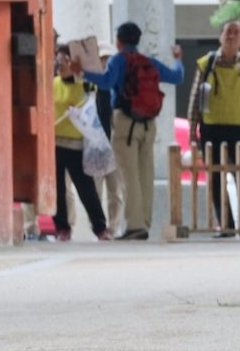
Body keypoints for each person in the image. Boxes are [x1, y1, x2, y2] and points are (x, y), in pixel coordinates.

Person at [87, 21, 184, 241]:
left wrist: (84, 73)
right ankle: (145, 222)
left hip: (125, 123)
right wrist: (178, 60)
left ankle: (134, 226)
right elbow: (177, 77)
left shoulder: (118, 60)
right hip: (149, 124)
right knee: (145, 173)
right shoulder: (148, 62)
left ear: (118, 41)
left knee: (128, 175)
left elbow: (106, 82)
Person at [184, 19, 240, 237]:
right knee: (216, 177)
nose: (231, 36)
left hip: (239, 128)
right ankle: (225, 225)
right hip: (211, 128)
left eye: (236, 33)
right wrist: (192, 132)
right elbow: (195, 100)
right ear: (220, 36)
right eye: (228, 32)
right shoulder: (206, 63)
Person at [50, 44, 111, 242]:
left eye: (64, 60)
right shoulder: (52, 84)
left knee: (86, 189)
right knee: (57, 189)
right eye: (57, 60)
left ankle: (100, 228)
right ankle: (62, 228)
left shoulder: (85, 85)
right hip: (55, 143)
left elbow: (95, 103)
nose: (60, 64)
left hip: (77, 144)